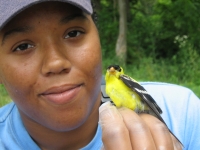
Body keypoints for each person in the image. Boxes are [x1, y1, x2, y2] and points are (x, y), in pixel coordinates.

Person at [0, 0, 199, 149]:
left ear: (99, 39)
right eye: (22, 46)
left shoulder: (183, 114)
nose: (56, 63)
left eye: (73, 33)